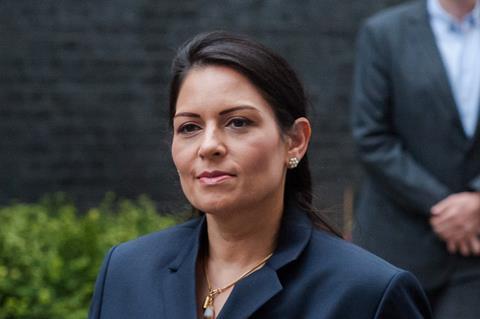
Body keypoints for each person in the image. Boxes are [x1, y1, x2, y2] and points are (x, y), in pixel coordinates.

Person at [89, 31, 431, 319]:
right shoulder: (126, 271)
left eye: (238, 122)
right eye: (189, 127)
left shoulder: (368, 294)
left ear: (295, 141)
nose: (208, 146)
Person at [351, 0, 480, 318]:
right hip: (396, 242)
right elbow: (371, 137)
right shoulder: (384, 33)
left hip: (475, 252)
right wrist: (446, 206)